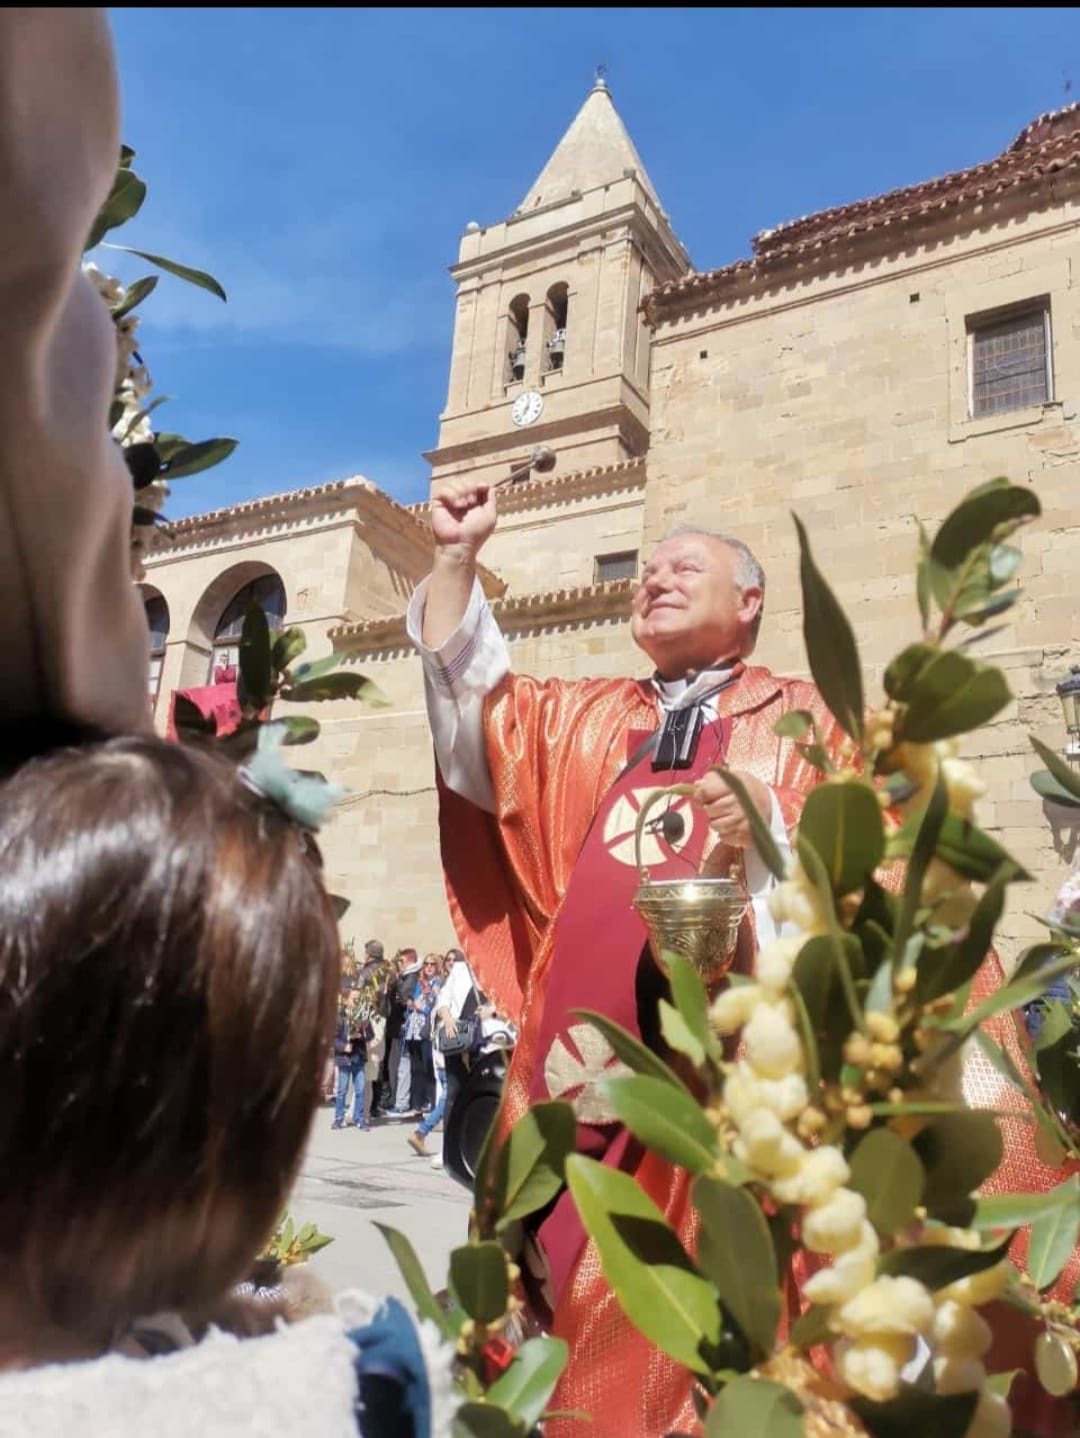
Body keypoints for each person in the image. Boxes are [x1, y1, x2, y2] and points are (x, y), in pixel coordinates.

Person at [408, 477, 842, 1436]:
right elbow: (477, 719)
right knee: (557, 1267)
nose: (654, 580)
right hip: (575, 1071)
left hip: (726, 1091)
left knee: (697, 1306)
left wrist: (773, 823)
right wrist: (454, 559)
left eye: (685, 567)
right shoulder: (587, 717)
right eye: (646, 570)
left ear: (752, 600)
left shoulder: (810, 718)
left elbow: (876, 860)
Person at [402, 954, 443, 1118]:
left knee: (429, 1069)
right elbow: (413, 1003)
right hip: (414, 1030)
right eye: (426, 964)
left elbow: (437, 1007)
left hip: (427, 1030)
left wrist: (422, 1008)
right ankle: (416, 1105)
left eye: (433, 964)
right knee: (416, 1068)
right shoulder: (419, 983)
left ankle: (433, 1105)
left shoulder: (439, 983)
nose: (429, 967)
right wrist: (412, 1006)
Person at [331, 996, 371, 1132]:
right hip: (345, 1058)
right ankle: (338, 1119)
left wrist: (363, 1032)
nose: (355, 1001)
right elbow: (333, 1038)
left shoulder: (363, 1014)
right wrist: (344, 1045)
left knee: (360, 1090)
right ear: (346, 1000)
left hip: (358, 1057)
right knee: (342, 1090)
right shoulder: (340, 1017)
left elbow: (370, 1034)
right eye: (353, 998)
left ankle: (358, 1118)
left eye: (357, 998)